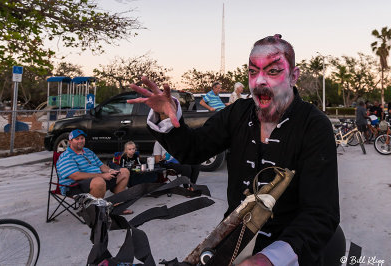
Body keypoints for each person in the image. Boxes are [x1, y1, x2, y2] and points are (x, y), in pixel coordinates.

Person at [128, 34, 339, 265]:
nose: (259, 81)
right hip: (232, 244)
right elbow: (194, 150)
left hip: (293, 251)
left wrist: (270, 258)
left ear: (293, 76)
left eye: (273, 71)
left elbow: (321, 213)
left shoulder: (314, 125)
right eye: (252, 72)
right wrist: (164, 114)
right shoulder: (238, 112)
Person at [57, 129, 131, 203]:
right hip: (74, 186)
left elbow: (101, 165)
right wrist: (103, 176)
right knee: (99, 181)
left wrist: (110, 171)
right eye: (77, 139)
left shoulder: (88, 151)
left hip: (97, 179)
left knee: (124, 172)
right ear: (70, 142)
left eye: (82, 138)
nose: (80, 141)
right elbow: (75, 176)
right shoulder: (66, 156)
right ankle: (94, 212)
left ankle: (116, 203)